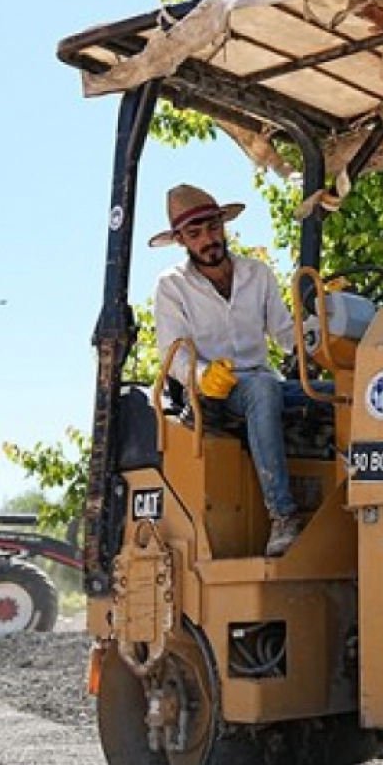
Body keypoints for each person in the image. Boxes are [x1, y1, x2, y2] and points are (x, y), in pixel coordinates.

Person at [149, 183, 304, 557]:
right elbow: (174, 356)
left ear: (224, 224)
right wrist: (204, 376)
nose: (208, 239)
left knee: (339, 393)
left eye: (213, 227)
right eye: (195, 233)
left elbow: (285, 334)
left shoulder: (258, 274)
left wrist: (318, 332)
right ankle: (282, 516)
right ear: (182, 240)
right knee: (263, 391)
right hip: (210, 397)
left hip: (260, 381)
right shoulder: (172, 287)